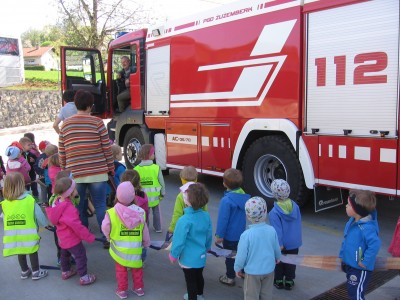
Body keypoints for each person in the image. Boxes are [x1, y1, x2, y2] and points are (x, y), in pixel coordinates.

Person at [58, 89, 115, 249]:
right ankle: (107, 237)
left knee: (79, 206)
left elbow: (62, 151)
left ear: (75, 105)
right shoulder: (97, 123)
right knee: (100, 205)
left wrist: (65, 171)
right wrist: (110, 167)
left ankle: (82, 235)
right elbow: (106, 148)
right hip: (98, 172)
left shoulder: (66, 125)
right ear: (90, 106)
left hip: (75, 174)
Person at [102, 181, 150, 298]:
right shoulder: (140, 212)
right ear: (133, 196)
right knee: (137, 269)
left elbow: (105, 227)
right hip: (135, 250)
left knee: (121, 270)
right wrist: (146, 242)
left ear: (117, 196)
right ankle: (139, 288)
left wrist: (108, 237)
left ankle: (122, 290)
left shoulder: (111, 212)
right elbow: (145, 230)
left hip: (119, 250)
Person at [46, 177, 96, 285]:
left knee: (65, 254)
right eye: (75, 189)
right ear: (70, 192)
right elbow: (76, 226)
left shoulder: (57, 202)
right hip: (72, 238)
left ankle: (66, 271)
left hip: (62, 238)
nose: (77, 190)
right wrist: (88, 236)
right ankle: (84, 277)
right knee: (80, 255)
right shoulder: (69, 208)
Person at [1, 172, 49, 280]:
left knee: (20, 250)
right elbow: (39, 215)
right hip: (29, 232)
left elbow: (4, 217)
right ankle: (36, 271)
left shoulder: (5, 203)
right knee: (32, 249)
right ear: (21, 184)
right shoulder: (29, 200)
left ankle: (24, 271)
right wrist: (46, 224)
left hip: (13, 233)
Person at [169, 183, 212, 300]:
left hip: (188, 259)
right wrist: (208, 247)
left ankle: (192, 297)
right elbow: (208, 234)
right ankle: (199, 295)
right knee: (199, 276)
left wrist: (173, 254)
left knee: (190, 281)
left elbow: (179, 241)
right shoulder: (206, 216)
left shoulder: (183, 220)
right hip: (201, 256)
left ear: (188, 201)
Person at [234, 196, 281, 300]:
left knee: (251, 295)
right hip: (269, 270)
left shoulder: (246, 235)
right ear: (265, 212)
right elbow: (276, 247)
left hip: (252, 272)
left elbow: (241, 255)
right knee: (266, 294)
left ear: (248, 216)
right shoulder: (271, 230)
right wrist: (278, 257)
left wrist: (237, 268)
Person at [339, 189, 381, 300]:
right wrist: (342, 256)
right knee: (352, 291)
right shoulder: (352, 222)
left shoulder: (367, 228)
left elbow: (375, 244)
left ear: (357, 210)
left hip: (360, 268)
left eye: (348, 204)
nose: (346, 206)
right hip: (351, 265)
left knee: (356, 294)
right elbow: (347, 240)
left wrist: (365, 261)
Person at [215, 168, 250, 287]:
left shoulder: (226, 200)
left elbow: (223, 220)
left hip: (230, 236)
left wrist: (219, 235)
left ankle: (230, 277)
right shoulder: (244, 197)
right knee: (242, 253)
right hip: (242, 234)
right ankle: (244, 272)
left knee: (230, 257)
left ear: (224, 183)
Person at [269, 179, 302, 290]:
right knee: (292, 262)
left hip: (282, 244)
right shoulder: (295, 207)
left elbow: (277, 230)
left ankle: (278, 280)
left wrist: (279, 244)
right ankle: (289, 280)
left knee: (279, 262)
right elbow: (297, 223)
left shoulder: (274, 212)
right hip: (294, 242)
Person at [167, 166, 207, 241]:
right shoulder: (201, 192)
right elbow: (205, 211)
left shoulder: (181, 196)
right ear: (196, 179)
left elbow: (177, 214)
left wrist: (172, 228)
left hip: (185, 227)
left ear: (182, 180)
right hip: (199, 227)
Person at [134, 144, 165, 233]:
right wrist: (163, 193)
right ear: (150, 155)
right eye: (153, 153)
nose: (154, 155)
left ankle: (145, 227)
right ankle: (158, 228)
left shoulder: (136, 169)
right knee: (156, 213)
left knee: (144, 213)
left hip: (142, 198)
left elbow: (135, 184)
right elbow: (161, 182)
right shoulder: (156, 168)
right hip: (155, 197)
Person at [33, 140, 51, 205]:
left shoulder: (40, 157)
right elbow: (36, 166)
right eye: (49, 147)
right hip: (47, 177)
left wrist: (40, 173)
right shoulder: (45, 157)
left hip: (43, 176)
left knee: (44, 190)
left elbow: (35, 166)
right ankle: (48, 202)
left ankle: (45, 202)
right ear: (43, 149)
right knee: (48, 189)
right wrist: (42, 173)